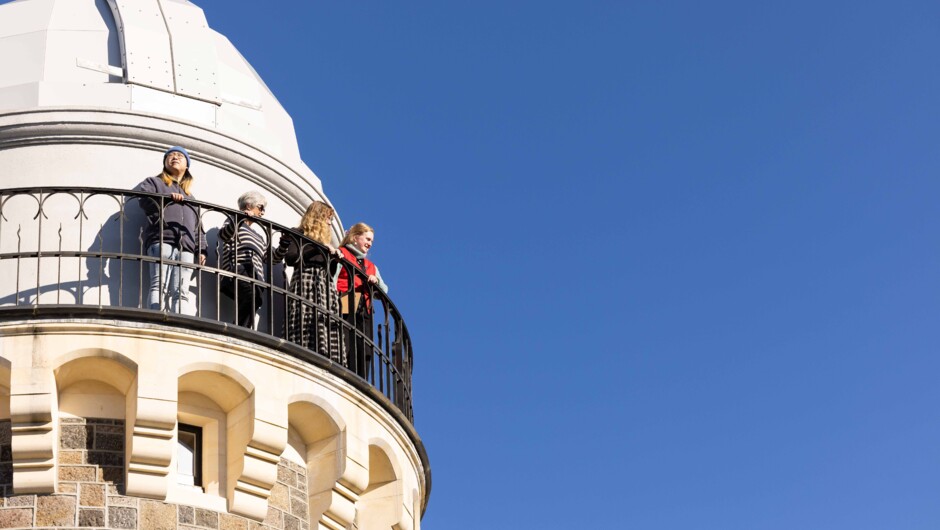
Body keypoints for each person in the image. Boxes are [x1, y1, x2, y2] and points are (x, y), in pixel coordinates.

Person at [136, 146, 207, 315]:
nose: (175, 157)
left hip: (187, 247)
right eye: (171, 155)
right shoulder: (154, 182)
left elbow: (198, 226)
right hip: (162, 239)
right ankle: (154, 317)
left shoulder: (190, 197)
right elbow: (144, 200)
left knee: (181, 290)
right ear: (165, 163)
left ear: (187, 166)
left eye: (180, 156)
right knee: (158, 284)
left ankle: (179, 321)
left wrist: (202, 249)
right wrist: (167, 199)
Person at [275, 201, 345, 363]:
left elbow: (330, 271)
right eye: (328, 218)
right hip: (306, 280)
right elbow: (291, 258)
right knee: (304, 317)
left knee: (325, 320)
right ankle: (301, 351)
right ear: (318, 217)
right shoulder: (298, 233)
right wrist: (319, 247)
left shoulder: (326, 243)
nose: (330, 223)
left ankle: (327, 355)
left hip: (324, 285)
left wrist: (334, 260)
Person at [335, 222, 388, 378]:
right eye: (367, 239)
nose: (370, 243)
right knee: (345, 338)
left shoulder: (371, 266)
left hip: (365, 308)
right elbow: (332, 278)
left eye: (371, 241)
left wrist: (376, 283)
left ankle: (359, 379)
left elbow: (384, 290)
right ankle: (340, 371)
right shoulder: (341, 253)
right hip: (346, 298)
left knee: (364, 347)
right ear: (355, 237)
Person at [219, 191, 269, 328]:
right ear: (248, 205)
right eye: (261, 207)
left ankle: (240, 330)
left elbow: (269, 258)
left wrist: (284, 244)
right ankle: (238, 330)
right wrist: (239, 218)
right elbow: (224, 235)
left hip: (256, 276)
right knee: (252, 297)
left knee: (255, 300)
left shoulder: (259, 236)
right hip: (238, 269)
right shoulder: (233, 220)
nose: (262, 213)